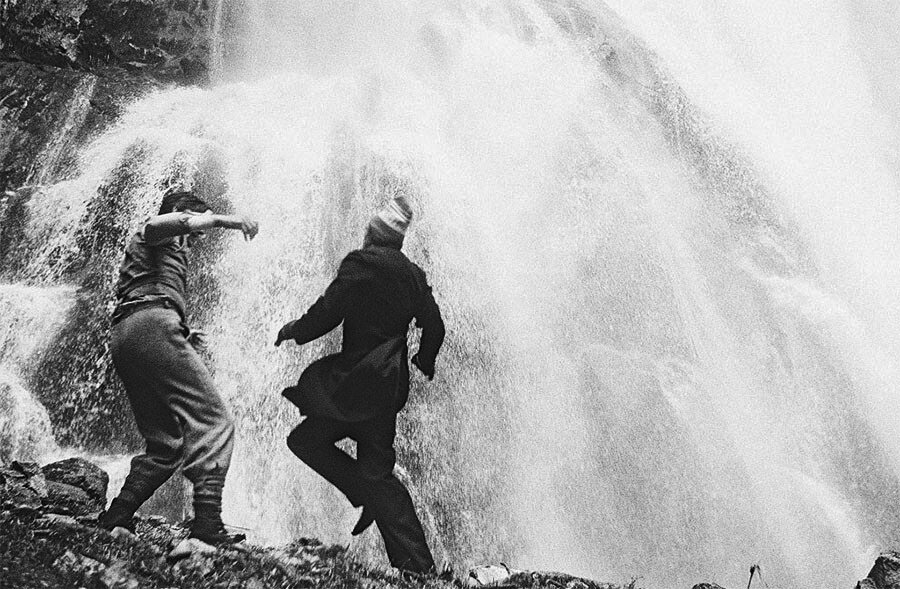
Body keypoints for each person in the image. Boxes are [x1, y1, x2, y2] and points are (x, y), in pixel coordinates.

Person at [276, 194, 445, 574]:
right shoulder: (413, 275)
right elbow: (435, 326)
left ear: (373, 232)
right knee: (377, 474)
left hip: (351, 386)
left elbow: (329, 311)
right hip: (385, 387)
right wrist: (424, 359)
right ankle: (417, 566)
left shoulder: (361, 262)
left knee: (304, 441)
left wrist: (296, 330)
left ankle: (364, 492)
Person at [98, 190, 259, 545]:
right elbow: (160, 224)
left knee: (165, 444)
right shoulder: (155, 230)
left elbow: (148, 290)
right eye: (196, 226)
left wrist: (184, 330)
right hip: (151, 326)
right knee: (215, 420)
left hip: (128, 334)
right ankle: (207, 523)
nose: (197, 237)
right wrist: (224, 219)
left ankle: (117, 514)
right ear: (182, 213)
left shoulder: (163, 252)